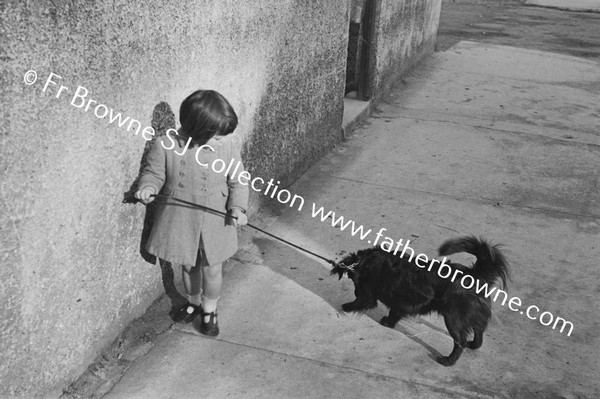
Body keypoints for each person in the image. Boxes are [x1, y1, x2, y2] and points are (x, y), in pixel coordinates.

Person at [135, 89, 249, 337]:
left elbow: (238, 179)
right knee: (188, 267)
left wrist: (237, 208)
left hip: (216, 219)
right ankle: (194, 302)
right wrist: (147, 188)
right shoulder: (166, 145)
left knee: (213, 269)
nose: (223, 141)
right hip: (180, 218)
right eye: (217, 138)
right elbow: (154, 174)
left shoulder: (226, 147)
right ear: (199, 131)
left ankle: (210, 309)